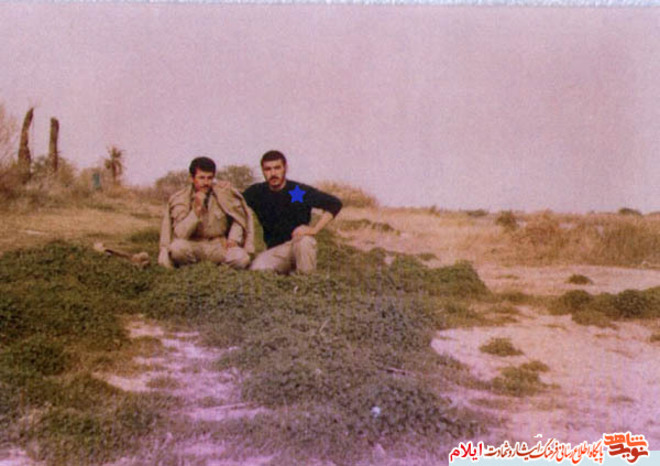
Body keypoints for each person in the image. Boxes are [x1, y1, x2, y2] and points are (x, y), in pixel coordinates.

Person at [242, 150, 342, 274]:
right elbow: (234, 202)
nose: (273, 173)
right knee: (256, 270)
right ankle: (287, 275)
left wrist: (314, 229)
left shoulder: (299, 190)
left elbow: (335, 203)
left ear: (285, 168)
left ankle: (306, 281)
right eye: (268, 169)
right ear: (263, 171)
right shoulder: (256, 192)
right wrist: (223, 186)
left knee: (305, 242)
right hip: (276, 251)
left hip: (298, 243)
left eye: (277, 168)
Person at [158, 157, 254, 269]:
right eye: (201, 178)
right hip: (193, 245)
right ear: (192, 178)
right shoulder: (180, 199)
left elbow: (238, 218)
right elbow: (180, 234)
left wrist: (233, 238)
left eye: (209, 178)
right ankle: (193, 267)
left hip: (218, 245)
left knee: (242, 258)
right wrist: (196, 211)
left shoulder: (223, 193)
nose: (206, 182)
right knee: (176, 248)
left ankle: (219, 269)